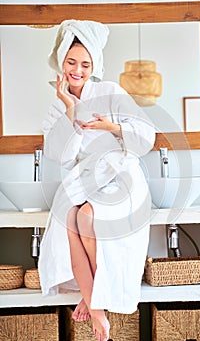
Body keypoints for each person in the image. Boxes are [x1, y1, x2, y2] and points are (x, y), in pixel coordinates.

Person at [38, 19, 155, 341]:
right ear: (61, 61)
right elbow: (59, 156)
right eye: (71, 62)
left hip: (121, 174)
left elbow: (146, 138)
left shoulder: (110, 91)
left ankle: (93, 298)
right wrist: (70, 108)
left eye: (85, 64)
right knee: (71, 218)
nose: (78, 70)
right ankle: (96, 306)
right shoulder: (56, 106)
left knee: (87, 216)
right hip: (86, 176)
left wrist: (112, 128)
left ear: (94, 65)